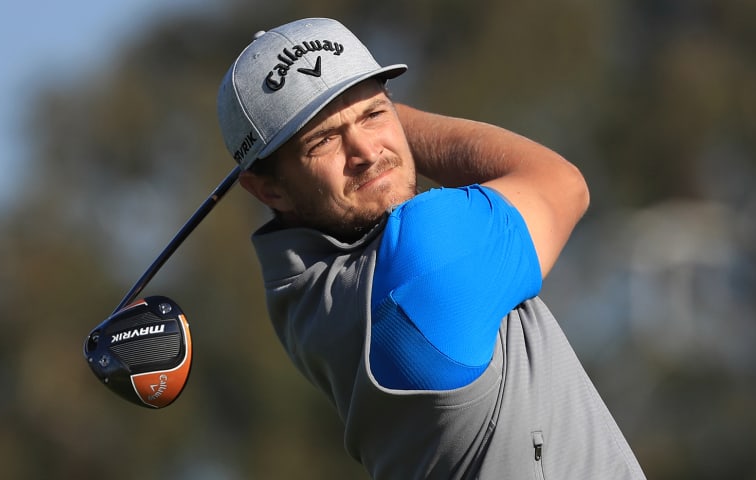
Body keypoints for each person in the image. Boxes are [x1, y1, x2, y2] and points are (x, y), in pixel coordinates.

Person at [216, 17, 646, 479]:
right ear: (268, 192)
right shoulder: (427, 257)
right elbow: (563, 183)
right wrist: (390, 119)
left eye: (373, 113)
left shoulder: (295, 295)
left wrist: (345, 113)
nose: (364, 151)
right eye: (322, 140)